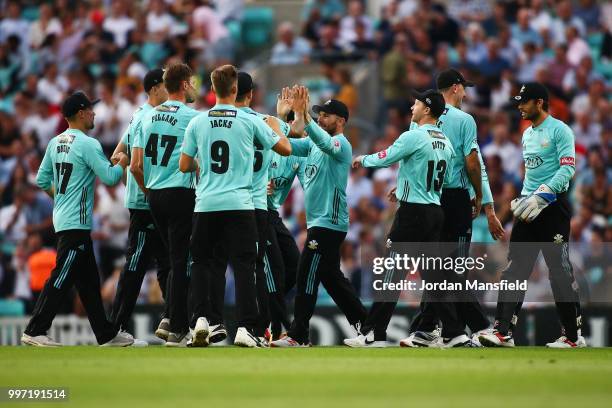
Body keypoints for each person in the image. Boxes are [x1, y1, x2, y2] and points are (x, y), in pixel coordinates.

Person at [346, 90, 477, 348]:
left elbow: (387, 157)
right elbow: (444, 178)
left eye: (416, 103)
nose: (412, 106)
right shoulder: (446, 142)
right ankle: (455, 332)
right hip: (434, 210)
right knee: (434, 276)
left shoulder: (413, 136)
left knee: (392, 272)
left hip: (412, 213)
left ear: (427, 109)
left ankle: (374, 333)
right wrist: (406, 185)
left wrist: (363, 159)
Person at [179, 65, 291, 348]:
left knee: (202, 263)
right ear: (236, 90)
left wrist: (203, 162)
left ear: (213, 90)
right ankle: (246, 327)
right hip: (240, 203)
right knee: (245, 266)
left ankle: (202, 319)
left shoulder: (198, 122)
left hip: (205, 203)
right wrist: (276, 124)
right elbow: (285, 149)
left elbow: (183, 165)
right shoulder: (249, 121)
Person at [402, 69, 505, 347]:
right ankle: (473, 327)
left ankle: (427, 328)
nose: (467, 94)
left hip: (428, 199)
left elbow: (412, 157)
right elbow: (474, 164)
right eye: (465, 89)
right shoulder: (464, 120)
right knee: (453, 268)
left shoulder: (420, 117)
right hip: (457, 199)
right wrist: (483, 200)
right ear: (457, 88)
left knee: (436, 267)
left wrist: (404, 187)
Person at [21, 91, 133, 347]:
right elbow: (111, 178)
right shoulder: (88, 143)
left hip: (65, 219)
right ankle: (35, 329)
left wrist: (60, 197)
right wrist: (123, 162)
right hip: (75, 223)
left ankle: (105, 333)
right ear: (81, 113)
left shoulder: (55, 142)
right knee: (62, 276)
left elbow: (41, 179)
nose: (94, 113)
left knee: (89, 283)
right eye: (91, 109)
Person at [479, 83, 585, 348]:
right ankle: (503, 332)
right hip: (529, 210)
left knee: (559, 271)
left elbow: (568, 170)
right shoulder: (527, 134)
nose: (519, 107)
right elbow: (531, 175)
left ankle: (573, 337)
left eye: (524, 102)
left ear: (539, 102)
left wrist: (544, 194)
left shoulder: (560, 130)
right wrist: (525, 198)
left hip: (553, 209)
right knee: (515, 269)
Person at [270, 88, 367, 347]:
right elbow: (286, 146)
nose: (322, 119)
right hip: (319, 223)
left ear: (341, 121)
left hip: (329, 223)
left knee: (306, 274)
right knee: (332, 278)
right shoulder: (313, 143)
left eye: (327, 116)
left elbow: (325, 142)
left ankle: (297, 335)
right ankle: (367, 326)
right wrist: (281, 118)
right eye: (319, 115)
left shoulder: (341, 144)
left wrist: (305, 117)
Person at [131, 63, 199, 347]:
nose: (195, 87)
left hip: (154, 195)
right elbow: (199, 163)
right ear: (183, 85)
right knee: (183, 260)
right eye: (193, 82)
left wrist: (150, 193)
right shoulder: (192, 118)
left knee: (171, 259)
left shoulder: (146, 117)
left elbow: (135, 166)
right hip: (181, 192)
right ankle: (178, 327)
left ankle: (170, 317)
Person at [108, 68, 171, 340]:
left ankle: (173, 322)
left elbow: (117, 153)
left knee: (168, 262)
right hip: (148, 204)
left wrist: (132, 184)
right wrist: (139, 189)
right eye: (167, 85)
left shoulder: (141, 116)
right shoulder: (146, 116)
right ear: (156, 88)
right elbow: (118, 157)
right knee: (137, 264)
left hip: (152, 201)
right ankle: (115, 327)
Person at [265, 88, 306, 340]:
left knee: (295, 265)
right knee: (276, 270)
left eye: (295, 119)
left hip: (272, 212)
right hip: (255, 209)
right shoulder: (268, 141)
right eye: (289, 120)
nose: (292, 124)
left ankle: (266, 308)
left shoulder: (297, 151)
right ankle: (281, 327)